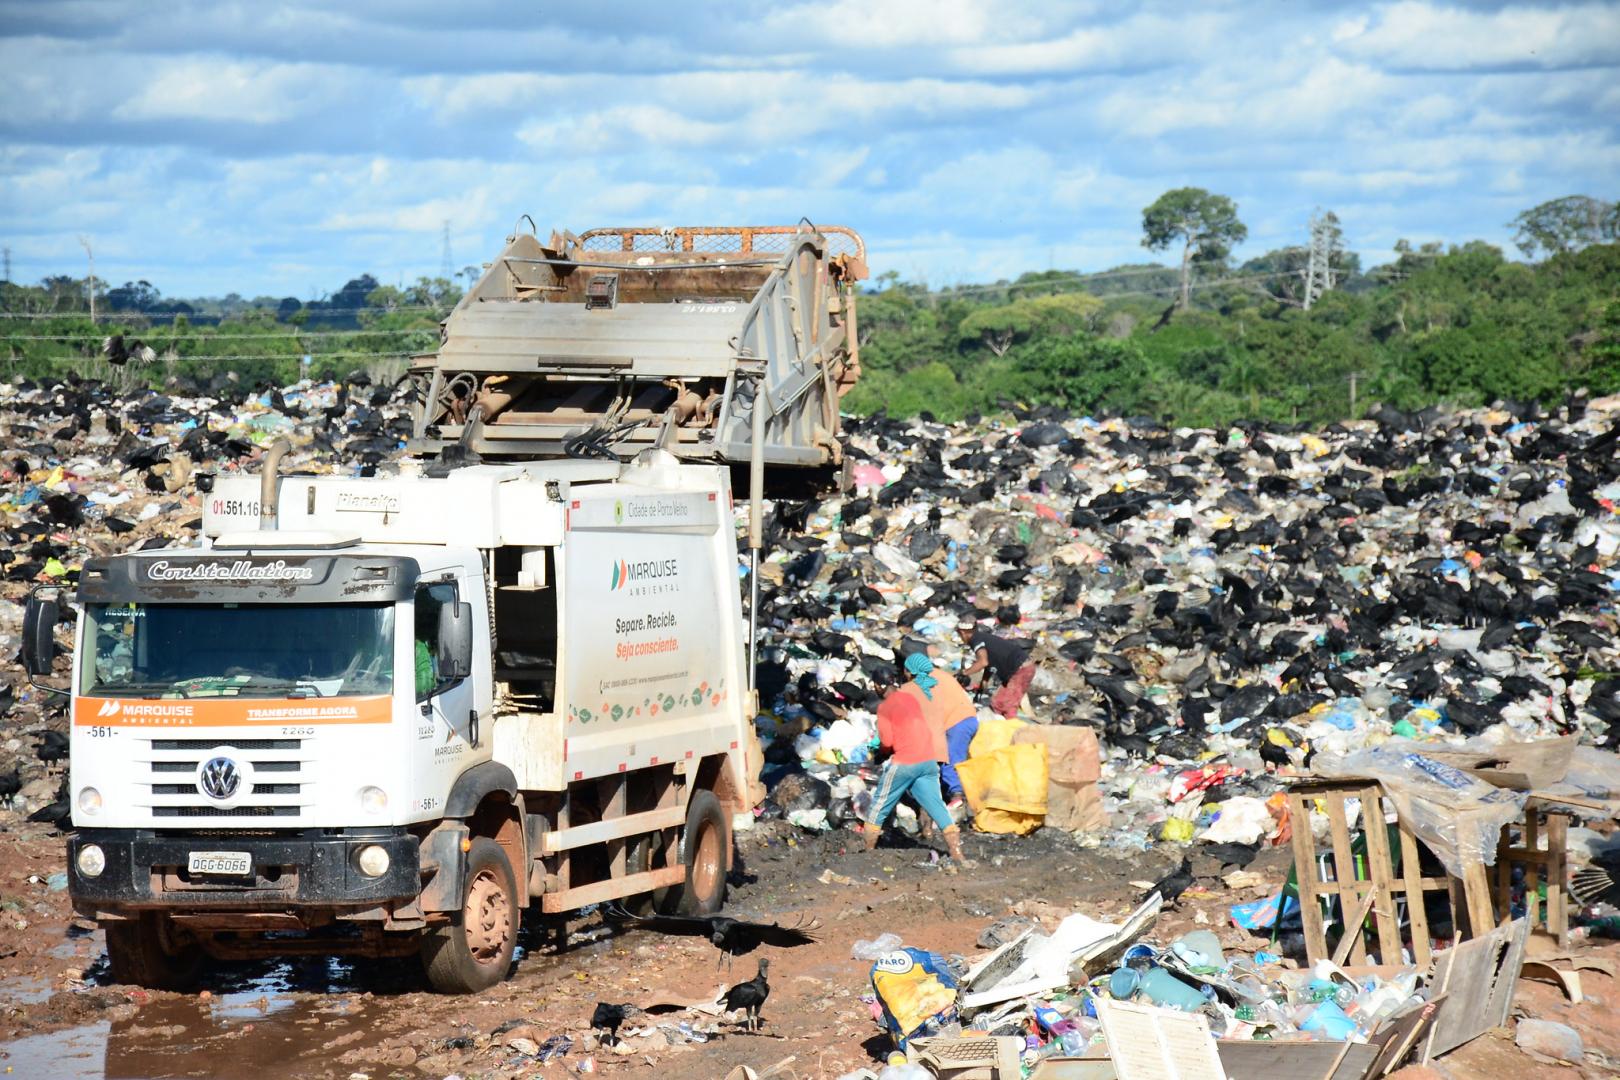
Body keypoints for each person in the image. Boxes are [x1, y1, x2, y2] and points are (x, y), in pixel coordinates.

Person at [862, 690, 973, 866]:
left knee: (879, 804)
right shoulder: (911, 700)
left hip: (905, 762)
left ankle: (867, 851)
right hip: (928, 760)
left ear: (876, 686)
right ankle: (957, 853)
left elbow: (888, 742)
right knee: (936, 805)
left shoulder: (885, 708)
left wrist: (881, 753)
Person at [902, 651, 978, 809]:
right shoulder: (941, 674)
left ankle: (957, 797)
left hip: (957, 723)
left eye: (907, 671)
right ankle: (957, 793)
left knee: (950, 759)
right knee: (955, 758)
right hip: (969, 718)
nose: (906, 675)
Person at [958, 617, 1037, 719]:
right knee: (1002, 703)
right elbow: (990, 660)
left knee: (1004, 705)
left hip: (1020, 670)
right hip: (1021, 668)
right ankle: (1004, 727)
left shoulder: (975, 640)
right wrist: (985, 680)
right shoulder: (981, 637)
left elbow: (983, 662)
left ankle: (1010, 730)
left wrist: (965, 673)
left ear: (963, 633)